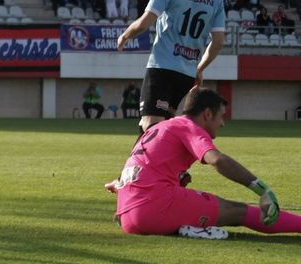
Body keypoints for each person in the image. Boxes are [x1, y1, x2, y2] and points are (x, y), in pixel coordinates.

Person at [108, 88, 301, 239]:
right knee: (237, 211)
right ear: (207, 114)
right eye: (221, 116)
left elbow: (140, 169)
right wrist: (262, 188)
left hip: (126, 216)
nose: (222, 123)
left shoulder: (162, 126)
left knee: (197, 199)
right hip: (151, 210)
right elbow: (217, 160)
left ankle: (189, 227)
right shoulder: (189, 127)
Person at [115, 0, 225, 134]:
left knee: (151, 126)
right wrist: (200, 68)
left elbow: (145, 22)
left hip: (163, 68)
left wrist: (125, 35)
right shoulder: (215, 1)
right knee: (161, 127)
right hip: (187, 74)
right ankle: (147, 164)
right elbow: (218, 42)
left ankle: (138, 164)